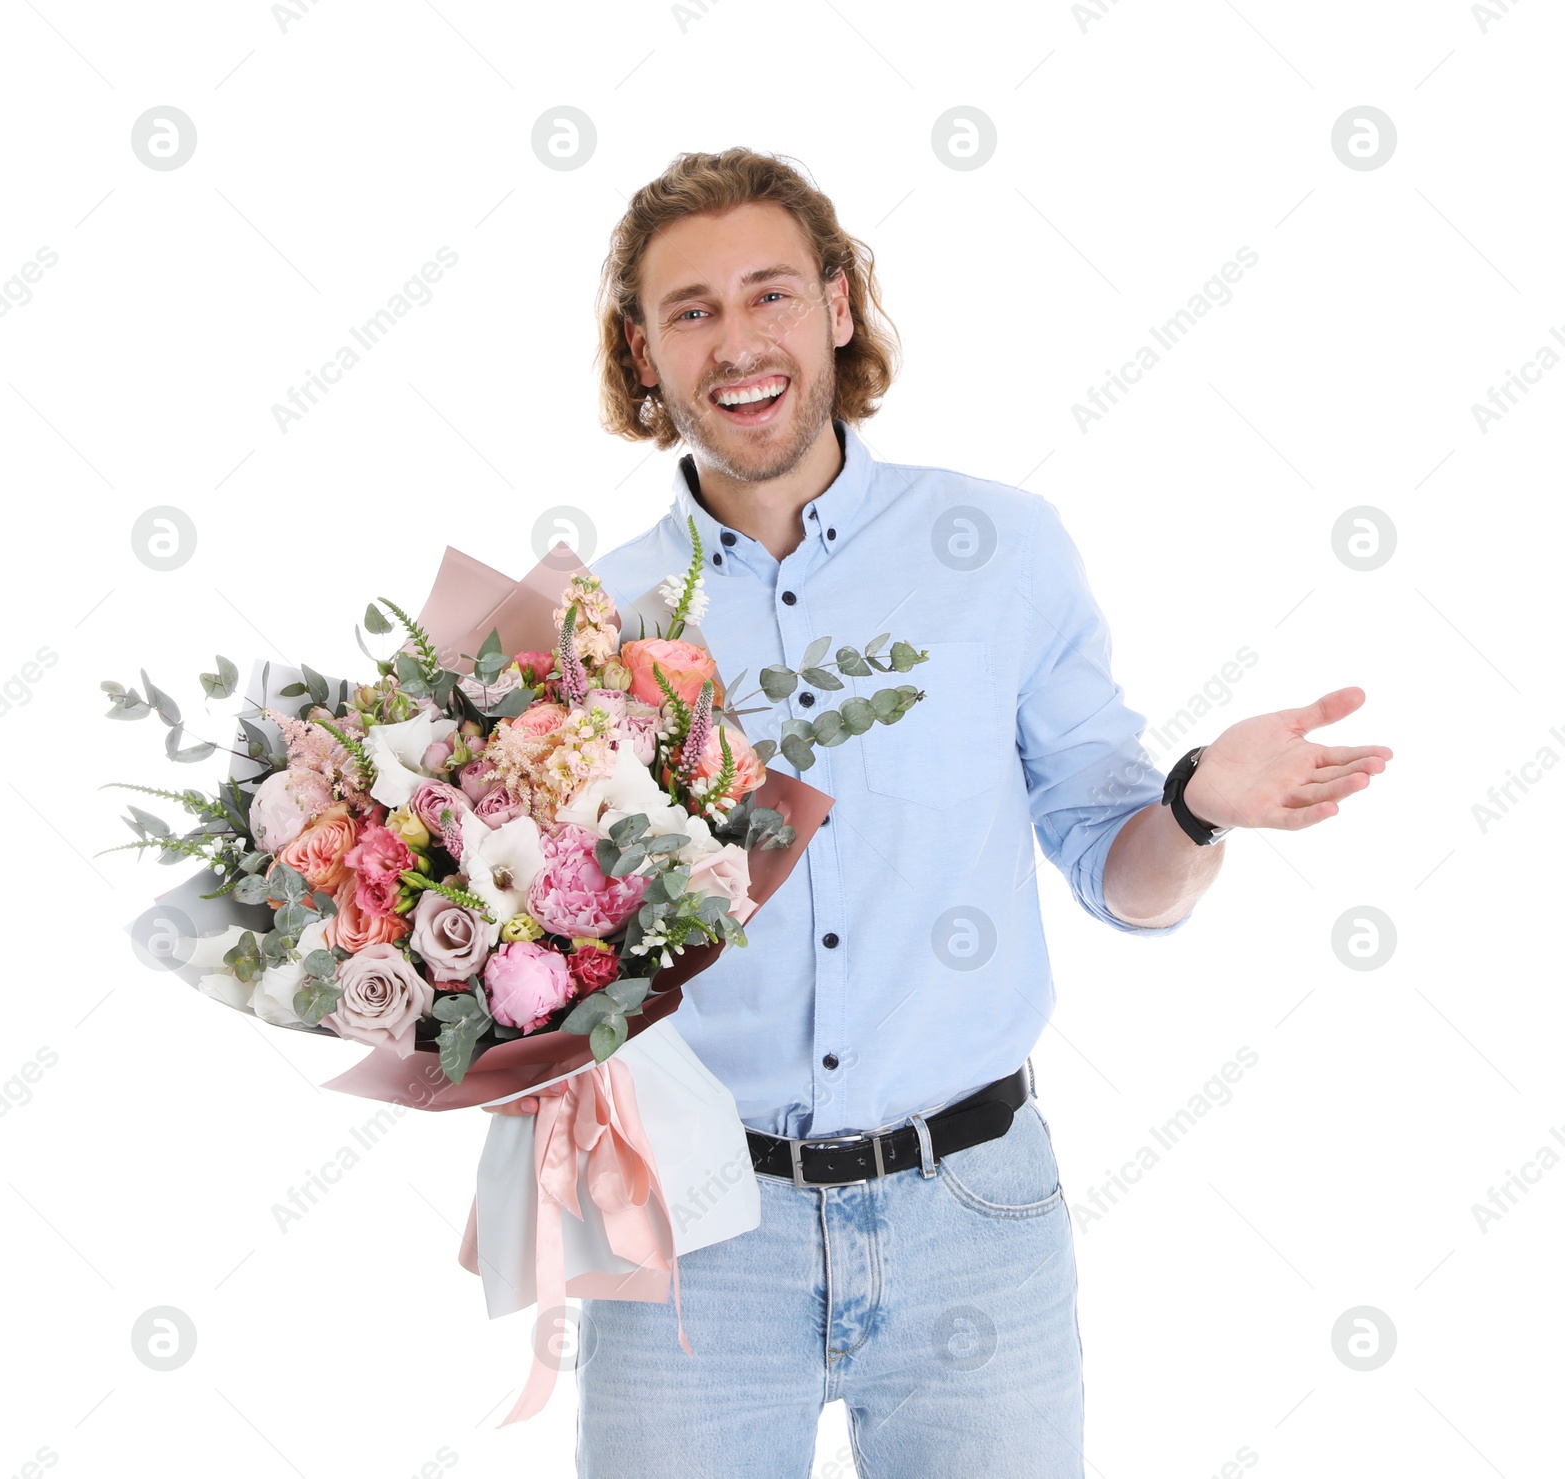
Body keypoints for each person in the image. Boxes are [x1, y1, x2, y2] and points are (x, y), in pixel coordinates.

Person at [488, 147, 1392, 1477]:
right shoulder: (581, 623)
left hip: (976, 1216)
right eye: (690, 311)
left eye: (771, 294)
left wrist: (1196, 809)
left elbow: (1119, 875)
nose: (738, 342)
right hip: (697, 1237)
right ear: (641, 354)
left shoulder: (1004, 551)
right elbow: (542, 947)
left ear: (839, 307)